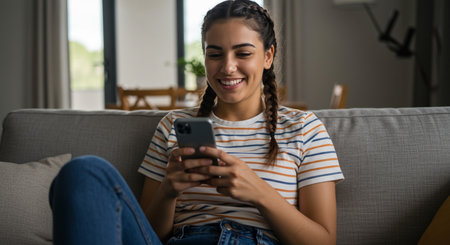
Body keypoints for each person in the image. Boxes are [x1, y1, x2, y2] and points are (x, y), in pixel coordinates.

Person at [49, 0, 344, 244]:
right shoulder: (173, 126)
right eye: (215, 54)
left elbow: (324, 241)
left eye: (243, 53)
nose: (228, 67)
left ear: (268, 56)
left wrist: (260, 192)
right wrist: (168, 191)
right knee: (84, 171)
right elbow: (146, 235)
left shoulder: (304, 129)